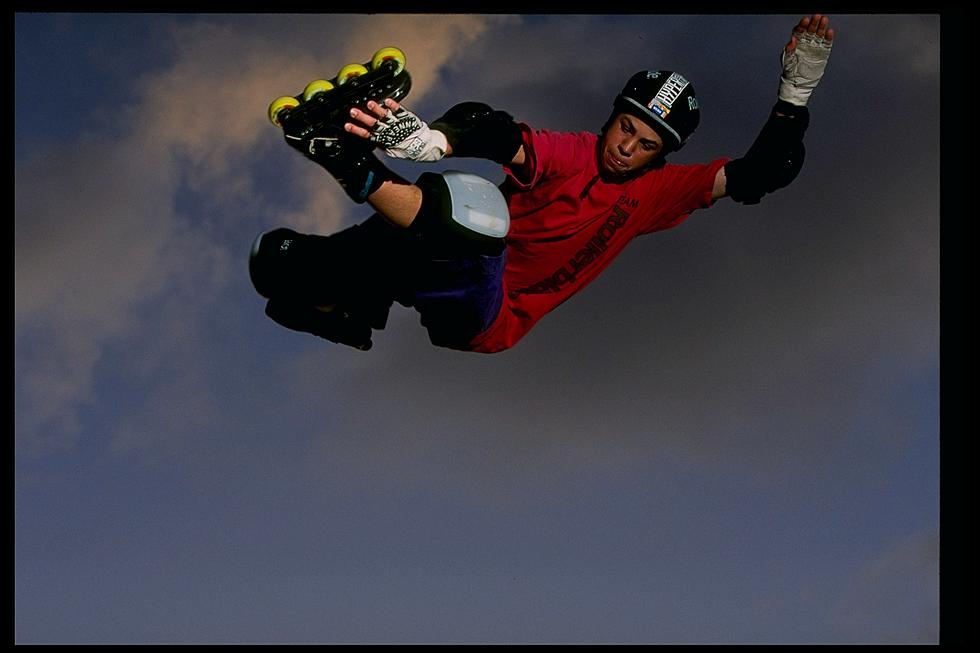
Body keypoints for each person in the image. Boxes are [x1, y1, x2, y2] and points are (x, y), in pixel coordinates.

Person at [250, 14, 834, 353]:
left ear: (663, 155)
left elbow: (762, 174)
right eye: (626, 128)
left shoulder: (662, 189)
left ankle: (353, 165)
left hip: (491, 312)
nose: (627, 148)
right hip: (432, 258)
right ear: (612, 115)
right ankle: (342, 303)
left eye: (646, 145)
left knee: (477, 212)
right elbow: (499, 133)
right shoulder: (573, 153)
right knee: (273, 259)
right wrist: (436, 142)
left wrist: (794, 98)